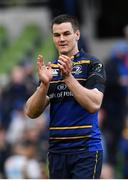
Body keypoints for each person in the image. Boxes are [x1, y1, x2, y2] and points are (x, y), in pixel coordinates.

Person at [25, 14, 106, 179]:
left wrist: (68, 78)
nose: (61, 39)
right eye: (57, 35)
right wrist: (43, 85)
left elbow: (94, 104)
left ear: (77, 34)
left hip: (85, 150)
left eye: (66, 33)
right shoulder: (50, 69)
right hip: (57, 151)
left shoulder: (92, 64)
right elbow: (31, 112)